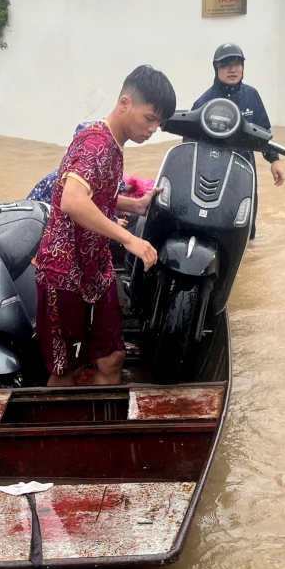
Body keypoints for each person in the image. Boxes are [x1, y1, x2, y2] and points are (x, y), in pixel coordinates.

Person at [34, 65, 176, 387]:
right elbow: (72, 199)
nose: (153, 128)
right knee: (66, 370)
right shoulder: (96, 143)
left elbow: (95, 194)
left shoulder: (114, 143)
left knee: (112, 359)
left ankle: (99, 423)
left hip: (95, 267)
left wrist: (134, 205)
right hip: (64, 271)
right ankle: (65, 435)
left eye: (159, 122)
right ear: (125, 103)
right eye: (150, 118)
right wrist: (128, 238)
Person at [191, 43, 285, 238]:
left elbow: (263, 131)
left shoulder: (251, 96)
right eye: (225, 65)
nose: (232, 69)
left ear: (243, 67)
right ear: (216, 69)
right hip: (213, 172)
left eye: (237, 64)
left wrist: (274, 160)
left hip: (244, 169)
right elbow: (190, 143)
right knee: (214, 222)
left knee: (246, 223)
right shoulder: (203, 103)